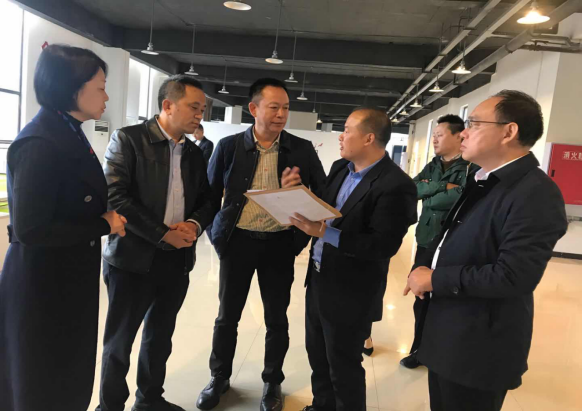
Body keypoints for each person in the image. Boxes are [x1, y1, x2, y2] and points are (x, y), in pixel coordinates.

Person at [404, 90, 568, 411]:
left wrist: (435, 279)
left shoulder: (535, 193)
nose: (463, 133)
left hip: (478, 350)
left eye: (475, 124)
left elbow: (514, 276)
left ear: (509, 132)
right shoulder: (485, 180)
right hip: (449, 336)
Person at [0, 44, 126, 410]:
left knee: (66, 371)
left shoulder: (67, 130)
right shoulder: (40, 141)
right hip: (42, 285)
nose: (106, 97)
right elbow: (31, 229)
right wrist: (102, 223)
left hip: (65, 276)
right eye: (100, 87)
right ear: (72, 88)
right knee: (42, 380)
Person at [197, 78, 326, 412]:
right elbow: (209, 197)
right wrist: (217, 236)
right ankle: (219, 377)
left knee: (276, 320)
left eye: (286, 108)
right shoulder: (228, 147)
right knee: (227, 317)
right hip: (237, 242)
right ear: (254, 109)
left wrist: (299, 204)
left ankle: (272, 382)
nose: (281, 114)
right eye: (274, 107)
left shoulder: (301, 149)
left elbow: (323, 195)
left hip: (279, 245)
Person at [97, 75, 215, 411]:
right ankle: (110, 406)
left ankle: (149, 399)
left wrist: (193, 224)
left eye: (202, 109)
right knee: (120, 342)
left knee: (160, 337)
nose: (200, 115)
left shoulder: (194, 154)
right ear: (168, 105)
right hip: (132, 259)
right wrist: (163, 233)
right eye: (194, 107)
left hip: (176, 260)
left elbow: (207, 200)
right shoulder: (129, 140)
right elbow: (115, 196)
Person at [291, 108, 417, 411]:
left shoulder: (396, 185)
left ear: (369, 138)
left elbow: (382, 245)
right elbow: (325, 207)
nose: (341, 136)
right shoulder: (340, 168)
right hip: (319, 277)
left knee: (343, 365)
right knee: (317, 355)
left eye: (347, 130)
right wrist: (297, 193)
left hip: (352, 291)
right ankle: (322, 406)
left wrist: (325, 233)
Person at [400, 114, 479, 369]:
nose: (434, 139)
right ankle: (418, 350)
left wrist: (431, 192)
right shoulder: (433, 164)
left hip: (453, 243)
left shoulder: (471, 167)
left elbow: (462, 197)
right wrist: (443, 187)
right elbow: (412, 189)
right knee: (421, 296)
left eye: (440, 135)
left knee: (447, 298)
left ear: (458, 136)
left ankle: (443, 352)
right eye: (433, 135)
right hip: (426, 239)